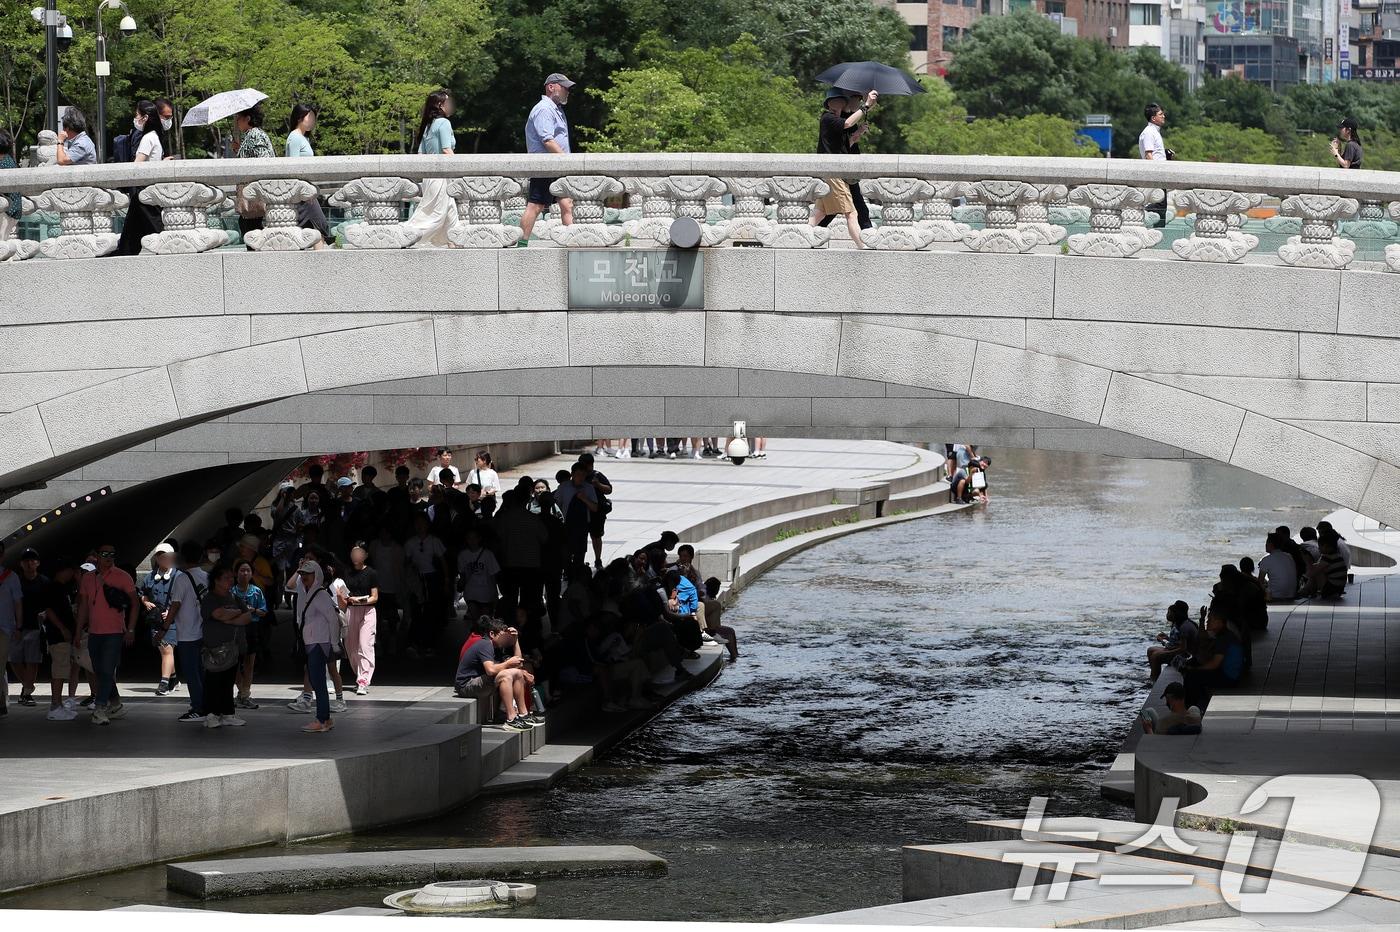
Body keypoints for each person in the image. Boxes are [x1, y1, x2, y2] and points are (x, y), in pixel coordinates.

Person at [75, 544, 138, 725]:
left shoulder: (123, 577)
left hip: (115, 632)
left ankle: (100, 707)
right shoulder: (88, 578)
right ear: (97, 556)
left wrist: (131, 628)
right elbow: (84, 607)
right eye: (104, 554)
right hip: (94, 632)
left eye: (112, 554)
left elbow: (135, 603)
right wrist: (78, 632)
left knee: (107, 670)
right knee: (101, 671)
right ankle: (116, 703)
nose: (108, 557)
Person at [810, 87, 877, 248]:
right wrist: (866, 105)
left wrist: (857, 134)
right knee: (851, 212)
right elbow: (848, 122)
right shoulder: (828, 118)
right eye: (841, 100)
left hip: (834, 172)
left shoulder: (837, 122)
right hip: (833, 173)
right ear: (832, 103)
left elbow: (843, 146)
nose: (845, 103)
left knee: (821, 213)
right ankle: (863, 247)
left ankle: (801, 235)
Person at [520, 73, 578, 244]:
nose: (567, 91)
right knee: (536, 205)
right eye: (564, 87)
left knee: (567, 203)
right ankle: (521, 243)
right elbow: (547, 140)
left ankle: (573, 241)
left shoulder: (556, 109)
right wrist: (566, 161)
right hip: (545, 165)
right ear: (551, 86)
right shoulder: (544, 109)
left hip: (557, 165)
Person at [454, 619, 536, 730]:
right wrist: (508, 663)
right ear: (492, 634)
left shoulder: (497, 647)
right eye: (503, 636)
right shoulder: (485, 644)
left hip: (479, 682)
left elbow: (518, 664)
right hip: (466, 685)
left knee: (517, 673)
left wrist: (515, 640)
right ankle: (511, 719)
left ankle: (523, 714)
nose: (506, 639)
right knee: (506, 675)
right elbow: (490, 670)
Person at [403, 89, 459, 247]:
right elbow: (447, 150)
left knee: (450, 213)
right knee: (435, 216)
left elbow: (421, 154)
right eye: (448, 102)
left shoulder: (428, 125)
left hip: (430, 178)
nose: (451, 105)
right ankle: (406, 236)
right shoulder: (444, 123)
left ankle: (454, 241)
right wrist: (462, 172)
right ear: (440, 105)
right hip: (441, 177)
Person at [200, 565, 253, 729]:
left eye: (232, 577)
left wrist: (230, 618)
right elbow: (218, 614)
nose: (231, 580)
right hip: (215, 648)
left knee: (228, 681)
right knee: (214, 681)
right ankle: (211, 714)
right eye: (227, 578)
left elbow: (248, 616)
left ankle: (227, 713)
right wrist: (235, 613)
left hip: (233, 647)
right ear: (216, 580)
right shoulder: (210, 598)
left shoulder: (234, 597)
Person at [115, 99, 168, 255]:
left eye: (137, 114)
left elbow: (138, 165)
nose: (136, 118)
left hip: (143, 192)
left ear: (145, 118)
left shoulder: (147, 138)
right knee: (131, 236)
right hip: (147, 192)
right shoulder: (156, 136)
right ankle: (124, 255)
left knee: (156, 230)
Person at [283, 103, 331, 247]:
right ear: (299, 117)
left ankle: (320, 263)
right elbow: (292, 167)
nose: (312, 121)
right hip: (302, 193)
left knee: (316, 228)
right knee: (319, 225)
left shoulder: (303, 138)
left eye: (313, 118)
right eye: (309, 117)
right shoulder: (295, 137)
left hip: (306, 190)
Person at [1181, 606, 1246, 709]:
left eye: (1210, 619)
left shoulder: (1224, 638)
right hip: (1229, 673)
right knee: (1194, 670)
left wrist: (1195, 669)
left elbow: (1214, 664)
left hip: (1229, 678)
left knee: (1192, 676)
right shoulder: (1224, 634)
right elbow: (1203, 638)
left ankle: (1189, 707)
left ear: (1220, 622)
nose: (1208, 621)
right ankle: (1195, 704)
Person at [139, 542, 181, 695]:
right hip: (156, 619)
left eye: (166, 556)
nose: (163, 559)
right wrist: (145, 602)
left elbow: (185, 599)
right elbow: (142, 593)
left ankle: (164, 684)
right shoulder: (150, 577)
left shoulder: (179, 576)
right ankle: (174, 679)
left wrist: (171, 611)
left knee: (167, 649)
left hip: (173, 621)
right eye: (160, 556)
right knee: (164, 650)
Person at [173, 541, 208, 722]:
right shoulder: (207, 577)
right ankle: (206, 705)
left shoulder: (181, 579)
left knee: (191, 672)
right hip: (204, 632)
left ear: (183, 558)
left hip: (187, 633)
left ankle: (198, 708)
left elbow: (175, 605)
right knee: (201, 671)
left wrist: (164, 628)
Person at [234, 103, 277, 243]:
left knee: (251, 231)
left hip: (255, 195)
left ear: (247, 118)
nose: (236, 121)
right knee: (248, 228)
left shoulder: (255, 134)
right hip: (254, 195)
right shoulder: (252, 135)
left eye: (238, 118)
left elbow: (263, 161)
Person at [341, 543, 378, 696]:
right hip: (350, 611)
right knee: (351, 647)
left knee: (365, 645)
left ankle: (363, 679)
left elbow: (374, 597)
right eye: (353, 553)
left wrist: (360, 600)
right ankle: (359, 674)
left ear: (365, 555)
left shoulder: (371, 573)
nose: (356, 556)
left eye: (359, 553)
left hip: (367, 611)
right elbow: (343, 595)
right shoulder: (347, 572)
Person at [231, 558, 268, 709]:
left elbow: (264, 611)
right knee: (234, 662)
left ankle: (246, 694)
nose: (245, 573)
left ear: (252, 573)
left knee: (249, 663)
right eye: (242, 570)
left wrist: (253, 610)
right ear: (236, 573)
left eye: (248, 570)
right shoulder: (231, 591)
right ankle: (241, 690)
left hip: (252, 627)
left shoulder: (256, 591)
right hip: (236, 628)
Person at [555, 462, 599, 570]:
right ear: (572, 474)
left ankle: (577, 576)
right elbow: (556, 505)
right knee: (566, 553)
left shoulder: (589, 488)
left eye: (583, 475)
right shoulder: (564, 487)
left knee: (580, 554)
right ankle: (567, 573)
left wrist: (584, 499)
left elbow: (595, 508)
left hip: (582, 526)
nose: (581, 478)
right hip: (566, 526)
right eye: (578, 475)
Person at [577, 452, 613, 571]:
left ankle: (598, 560)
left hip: (596, 513)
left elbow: (609, 490)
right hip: (581, 512)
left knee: (596, 537)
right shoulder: (577, 475)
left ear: (591, 465)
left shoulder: (597, 475)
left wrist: (598, 485)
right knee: (580, 537)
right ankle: (579, 561)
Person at [457, 527, 500, 624]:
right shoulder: (463, 555)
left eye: (474, 538)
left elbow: (493, 576)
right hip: (471, 592)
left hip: (485, 592)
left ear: (479, 539)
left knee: (483, 622)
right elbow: (462, 575)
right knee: (479, 622)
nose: (472, 541)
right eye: (469, 538)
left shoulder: (488, 554)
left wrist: (494, 593)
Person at [1147, 600, 1197, 680]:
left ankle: (1154, 679)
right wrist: (1167, 638)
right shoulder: (1177, 624)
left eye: (1169, 612)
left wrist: (1164, 650)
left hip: (1184, 656)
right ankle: (1153, 675)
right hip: (1178, 650)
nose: (1167, 615)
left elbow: (1183, 648)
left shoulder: (1185, 626)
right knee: (1150, 650)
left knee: (1155, 656)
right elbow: (1177, 642)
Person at [699, 577, 738, 661]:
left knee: (730, 631)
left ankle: (734, 656)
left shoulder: (707, 597)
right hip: (709, 629)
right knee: (729, 632)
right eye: (717, 588)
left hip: (709, 626)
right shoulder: (707, 598)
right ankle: (734, 656)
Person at [1258, 532, 1298, 602]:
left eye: (1267, 542)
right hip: (1291, 595)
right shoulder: (1289, 556)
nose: (1265, 545)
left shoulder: (1266, 559)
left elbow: (1260, 582)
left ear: (1271, 544)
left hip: (1275, 597)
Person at [0, 130, 21, 247]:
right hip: (13, 210)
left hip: (7, 211)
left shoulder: (4, 162)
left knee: (2, 243)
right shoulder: (8, 159)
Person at [470, 450, 501, 518]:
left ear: (484, 460)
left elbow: (496, 488)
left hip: (487, 503)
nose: (475, 461)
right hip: (475, 503)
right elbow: (469, 486)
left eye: (477, 459)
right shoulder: (473, 472)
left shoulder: (492, 473)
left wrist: (485, 493)